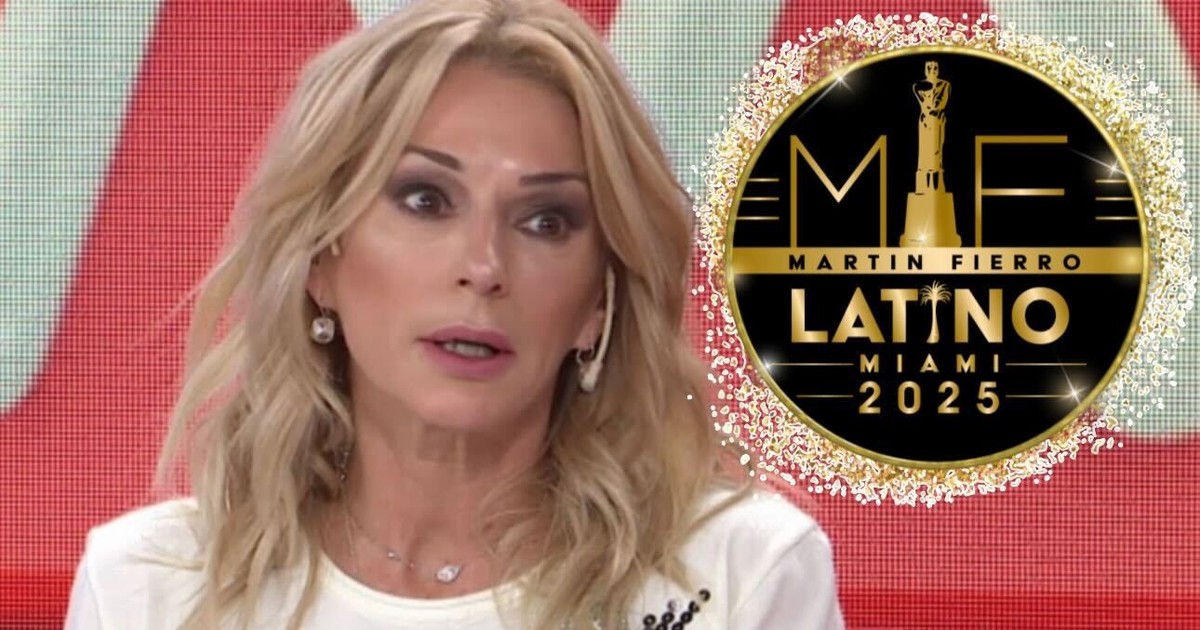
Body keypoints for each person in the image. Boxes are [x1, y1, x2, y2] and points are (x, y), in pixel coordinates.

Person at [64, 0, 844, 628]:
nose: (484, 267)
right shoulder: (150, 587)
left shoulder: (738, 574)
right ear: (322, 260)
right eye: (425, 200)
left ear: (597, 303)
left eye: (546, 221)